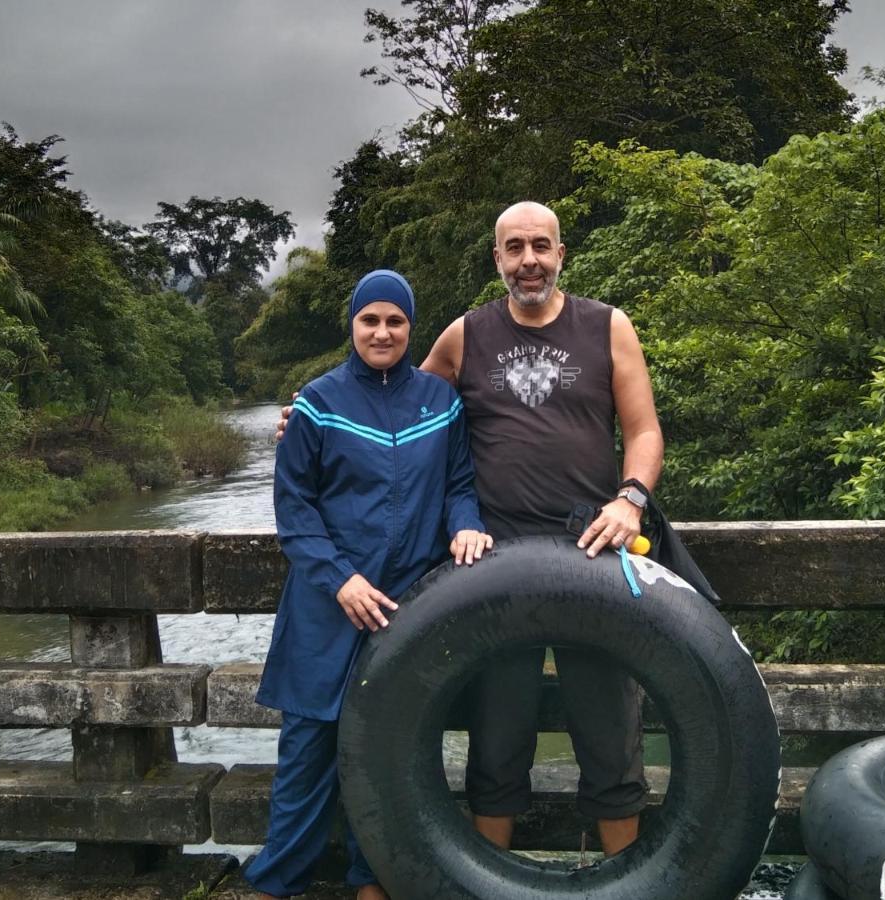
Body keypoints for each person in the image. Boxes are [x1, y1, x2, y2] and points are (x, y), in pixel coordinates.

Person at [278, 201, 664, 856]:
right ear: (497, 260)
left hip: (594, 552)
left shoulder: (608, 326)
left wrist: (630, 499)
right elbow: (396, 405)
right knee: (498, 736)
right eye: (514, 248)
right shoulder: (465, 335)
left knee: (610, 734)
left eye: (541, 246)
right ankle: (493, 881)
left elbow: (645, 430)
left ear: (561, 253)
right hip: (493, 563)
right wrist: (308, 423)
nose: (529, 260)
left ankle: (627, 879)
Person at [246, 269, 493, 900]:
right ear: (352, 325)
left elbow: (460, 486)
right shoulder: (317, 403)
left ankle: (372, 879)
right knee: (307, 752)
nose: (382, 332)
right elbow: (294, 510)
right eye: (370, 320)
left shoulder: (440, 404)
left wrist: (466, 526)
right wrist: (340, 580)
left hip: (406, 607)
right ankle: (279, 882)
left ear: (412, 328)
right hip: (327, 609)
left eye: (395, 321)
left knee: (390, 749)